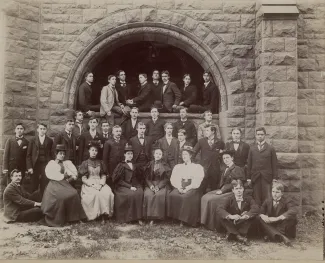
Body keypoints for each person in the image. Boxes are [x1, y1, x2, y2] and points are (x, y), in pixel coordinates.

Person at [41, 145, 87, 227]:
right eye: (60, 153)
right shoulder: (51, 164)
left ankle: (74, 218)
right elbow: (51, 175)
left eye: (63, 154)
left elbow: (73, 175)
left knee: (74, 193)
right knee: (61, 197)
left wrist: (70, 178)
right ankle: (58, 219)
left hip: (64, 183)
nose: (62, 155)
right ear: (56, 154)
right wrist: (63, 176)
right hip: (54, 184)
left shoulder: (66, 163)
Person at [201, 150, 246, 231]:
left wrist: (222, 190)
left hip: (232, 192)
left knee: (212, 200)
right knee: (205, 197)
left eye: (227, 157)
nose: (226, 160)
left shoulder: (237, 168)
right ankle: (205, 222)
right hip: (222, 190)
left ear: (232, 158)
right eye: (224, 158)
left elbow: (236, 183)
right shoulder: (225, 169)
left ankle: (213, 225)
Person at [167, 146, 204, 227]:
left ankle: (184, 220)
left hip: (192, 187)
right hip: (180, 186)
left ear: (190, 155)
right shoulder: (178, 167)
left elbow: (197, 181)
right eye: (183, 154)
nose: (184, 156)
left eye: (186, 154)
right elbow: (173, 179)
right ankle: (175, 217)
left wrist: (187, 188)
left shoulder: (197, 167)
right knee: (173, 195)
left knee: (186, 197)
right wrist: (179, 187)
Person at [79, 141, 114, 224]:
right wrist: (92, 185)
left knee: (107, 192)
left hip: (100, 182)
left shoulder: (101, 162)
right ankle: (94, 215)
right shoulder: (85, 163)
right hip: (89, 183)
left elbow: (103, 175)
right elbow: (83, 178)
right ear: (89, 151)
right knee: (95, 194)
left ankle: (104, 215)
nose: (94, 152)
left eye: (96, 151)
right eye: (92, 150)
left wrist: (101, 184)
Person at [216, 179, 259, 245]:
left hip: (243, 223)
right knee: (222, 216)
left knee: (255, 217)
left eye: (240, 188)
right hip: (232, 222)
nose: (239, 190)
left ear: (243, 189)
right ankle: (238, 236)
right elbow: (219, 209)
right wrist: (231, 216)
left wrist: (247, 215)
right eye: (236, 189)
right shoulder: (229, 199)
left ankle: (234, 234)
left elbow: (255, 208)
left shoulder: (248, 198)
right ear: (233, 190)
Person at [112, 144, 144, 225]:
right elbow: (118, 180)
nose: (130, 155)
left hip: (134, 185)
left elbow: (137, 178)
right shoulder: (121, 165)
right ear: (124, 155)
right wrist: (130, 187)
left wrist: (136, 186)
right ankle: (126, 219)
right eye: (128, 154)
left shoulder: (134, 165)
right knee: (130, 194)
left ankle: (138, 217)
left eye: (131, 154)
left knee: (139, 193)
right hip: (122, 186)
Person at [259, 182, 297, 246]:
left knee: (292, 217)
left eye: (277, 192)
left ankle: (271, 235)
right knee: (259, 218)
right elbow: (260, 211)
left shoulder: (287, 200)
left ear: (282, 193)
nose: (274, 194)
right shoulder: (268, 200)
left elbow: (293, 210)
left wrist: (278, 218)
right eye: (273, 191)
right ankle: (281, 236)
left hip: (282, 224)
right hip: (272, 223)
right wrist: (263, 216)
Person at [247, 127, 278, 205]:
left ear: (265, 135)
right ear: (256, 136)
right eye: (258, 134)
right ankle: (258, 215)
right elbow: (249, 164)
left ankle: (267, 215)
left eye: (261, 134)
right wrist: (248, 178)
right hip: (255, 177)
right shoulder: (252, 149)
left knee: (267, 198)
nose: (260, 136)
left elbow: (274, 164)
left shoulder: (271, 149)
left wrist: (274, 178)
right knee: (256, 197)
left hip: (267, 177)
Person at [143, 147, 172, 225]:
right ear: (153, 154)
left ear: (162, 156)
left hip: (161, 184)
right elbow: (147, 178)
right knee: (149, 194)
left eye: (160, 154)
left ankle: (158, 217)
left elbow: (166, 179)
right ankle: (150, 217)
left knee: (159, 195)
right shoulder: (149, 164)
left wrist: (158, 187)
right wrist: (151, 186)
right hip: (151, 184)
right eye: (156, 153)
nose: (158, 155)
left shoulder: (165, 165)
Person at [193, 125, 225, 192]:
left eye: (207, 130)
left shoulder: (220, 142)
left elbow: (224, 155)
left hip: (215, 169)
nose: (205, 132)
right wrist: (196, 165)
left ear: (213, 131)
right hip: (204, 169)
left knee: (214, 188)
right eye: (204, 131)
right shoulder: (201, 141)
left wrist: (222, 166)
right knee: (202, 188)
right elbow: (193, 153)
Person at [26, 123, 53, 195]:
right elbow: (28, 155)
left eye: (44, 129)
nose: (42, 130)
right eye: (40, 129)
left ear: (46, 130)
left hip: (45, 165)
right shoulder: (32, 140)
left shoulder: (50, 141)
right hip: (35, 165)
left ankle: (43, 202)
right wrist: (29, 167)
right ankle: (32, 202)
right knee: (33, 184)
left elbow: (51, 154)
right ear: (37, 130)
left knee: (44, 183)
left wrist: (50, 166)